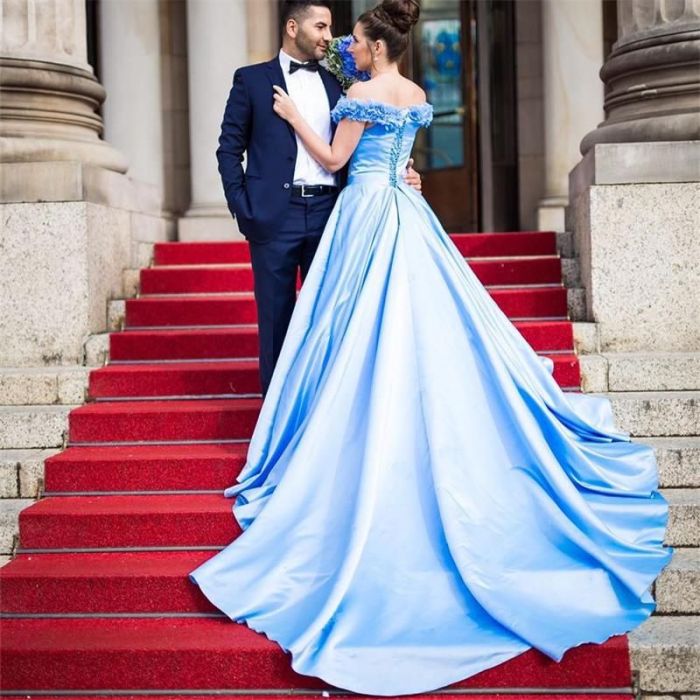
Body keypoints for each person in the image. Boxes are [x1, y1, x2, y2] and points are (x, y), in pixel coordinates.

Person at [190, 0, 673, 695]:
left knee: (353, 326)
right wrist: (399, 172)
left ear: (376, 46)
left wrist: (299, 120)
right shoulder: (416, 93)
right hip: (404, 212)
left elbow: (334, 156)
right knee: (414, 320)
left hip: (359, 214)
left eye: (353, 40)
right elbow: (400, 156)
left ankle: (332, 430)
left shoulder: (354, 91)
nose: (346, 49)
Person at [216, 0, 422, 396]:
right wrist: (244, 208)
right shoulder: (251, 80)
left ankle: (318, 418)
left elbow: (362, 145)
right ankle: (274, 425)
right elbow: (228, 149)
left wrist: (403, 172)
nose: (331, 37)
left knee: (329, 318)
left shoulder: (341, 85)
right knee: (276, 320)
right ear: (293, 27)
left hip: (333, 213)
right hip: (274, 215)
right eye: (322, 27)